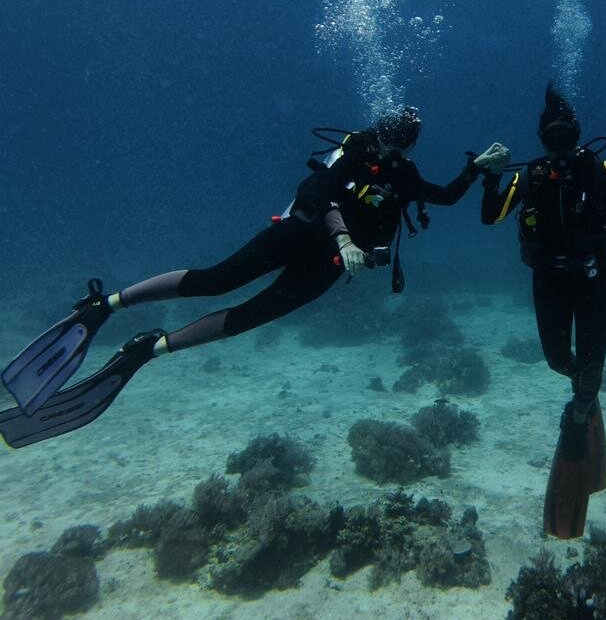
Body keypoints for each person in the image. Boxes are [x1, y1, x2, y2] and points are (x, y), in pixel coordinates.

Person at [0, 106, 510, 447]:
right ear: (380, 131)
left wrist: (479, 168)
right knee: (216, 279)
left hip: (328, 266)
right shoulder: (352, 153)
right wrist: (345, 240)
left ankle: (146, 349)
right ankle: (104, 305)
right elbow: (318, 195)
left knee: (250, 317)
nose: (395, 148)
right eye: (393, 139)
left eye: (405, 143)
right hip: (299, 235)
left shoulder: (401, 174)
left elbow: (442, 196)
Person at [480, 84, 606, 538]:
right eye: (551, 134)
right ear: (542, 138)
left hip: (595, 278)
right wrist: (492, 175)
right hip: (549, 281)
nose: (559, 142)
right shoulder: (532, 175)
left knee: (592, 363)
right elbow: (492, 216)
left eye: (566, 132)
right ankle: (583, 386)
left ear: (576, 134)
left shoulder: (595, 166)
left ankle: (581, 409)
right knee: (558, 359)